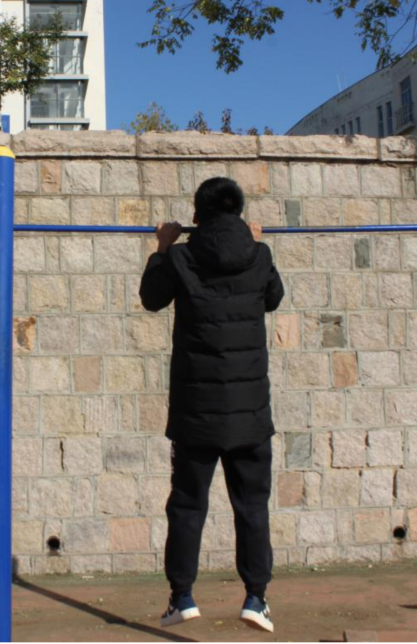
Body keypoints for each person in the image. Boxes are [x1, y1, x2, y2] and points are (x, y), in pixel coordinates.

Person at [140, 177, 284, 634]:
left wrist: (162, 247)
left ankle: (181, 596)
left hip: (196, 415)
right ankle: (256, 598)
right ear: (238, 213)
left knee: (187, 506)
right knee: (252, 507)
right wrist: (255, 245)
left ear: (196, 217)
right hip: (249, 415)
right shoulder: (259, 256)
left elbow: (151, 299)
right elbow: (273, 298)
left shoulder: (181, 257)